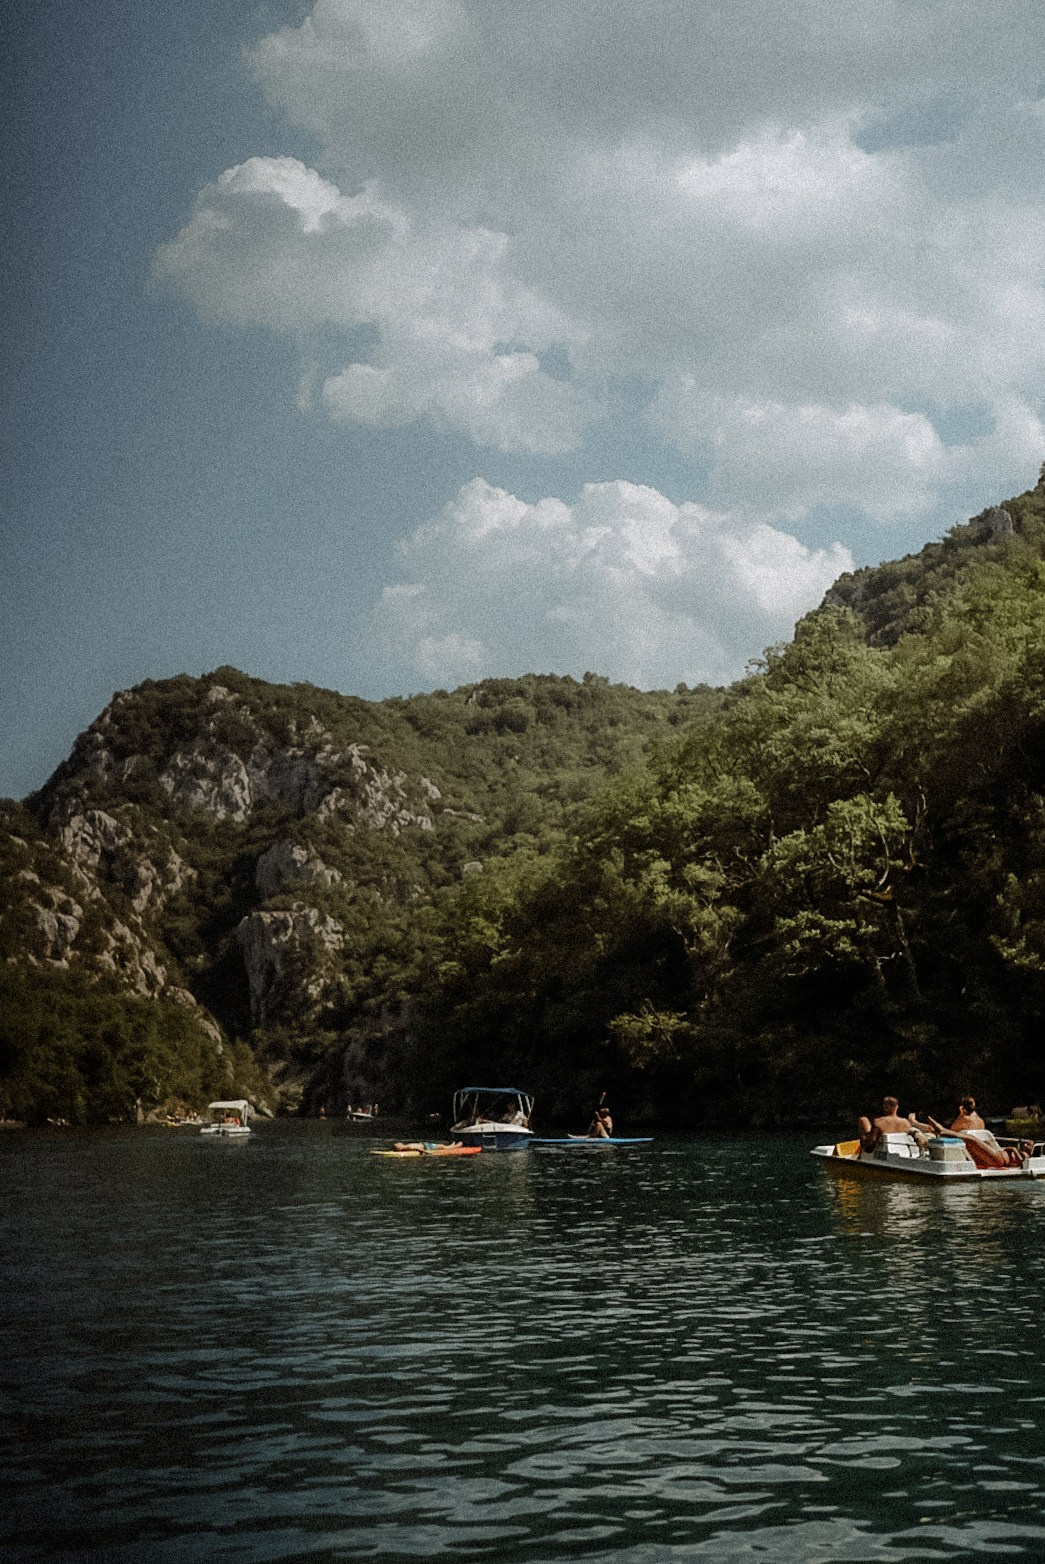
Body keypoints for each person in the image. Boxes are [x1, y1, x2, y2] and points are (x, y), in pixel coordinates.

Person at [858, 1096, 931, 1152]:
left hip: (882, 1154)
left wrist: (863, 1136)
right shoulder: (906, 1123)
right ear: (897, 1107)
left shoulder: (879, 1122)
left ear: (885, 1107)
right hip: (902, 1152)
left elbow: (870, 1146)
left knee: (863, 1120)